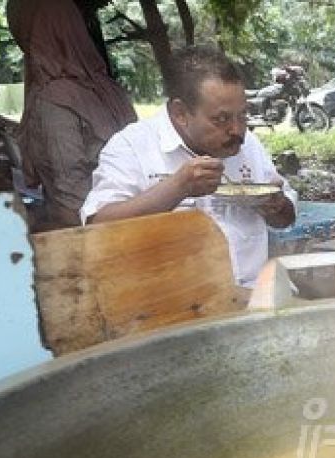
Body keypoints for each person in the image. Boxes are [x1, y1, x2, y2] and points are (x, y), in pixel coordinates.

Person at [81, 46, 296, 289]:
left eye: (243, 115)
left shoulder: (249, 146)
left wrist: (277, 205)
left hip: (252, 296)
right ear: (181, 113)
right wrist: (177, 187)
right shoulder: (132, 146)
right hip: (173, 308)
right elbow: (98, 228)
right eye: (222, 119)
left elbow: (284, 219)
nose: (237, 130)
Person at [7, 0, 138, 229]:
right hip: (136, 217)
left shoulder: (53, 98)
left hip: (95, 234)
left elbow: (71, 202)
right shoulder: (108, 88)